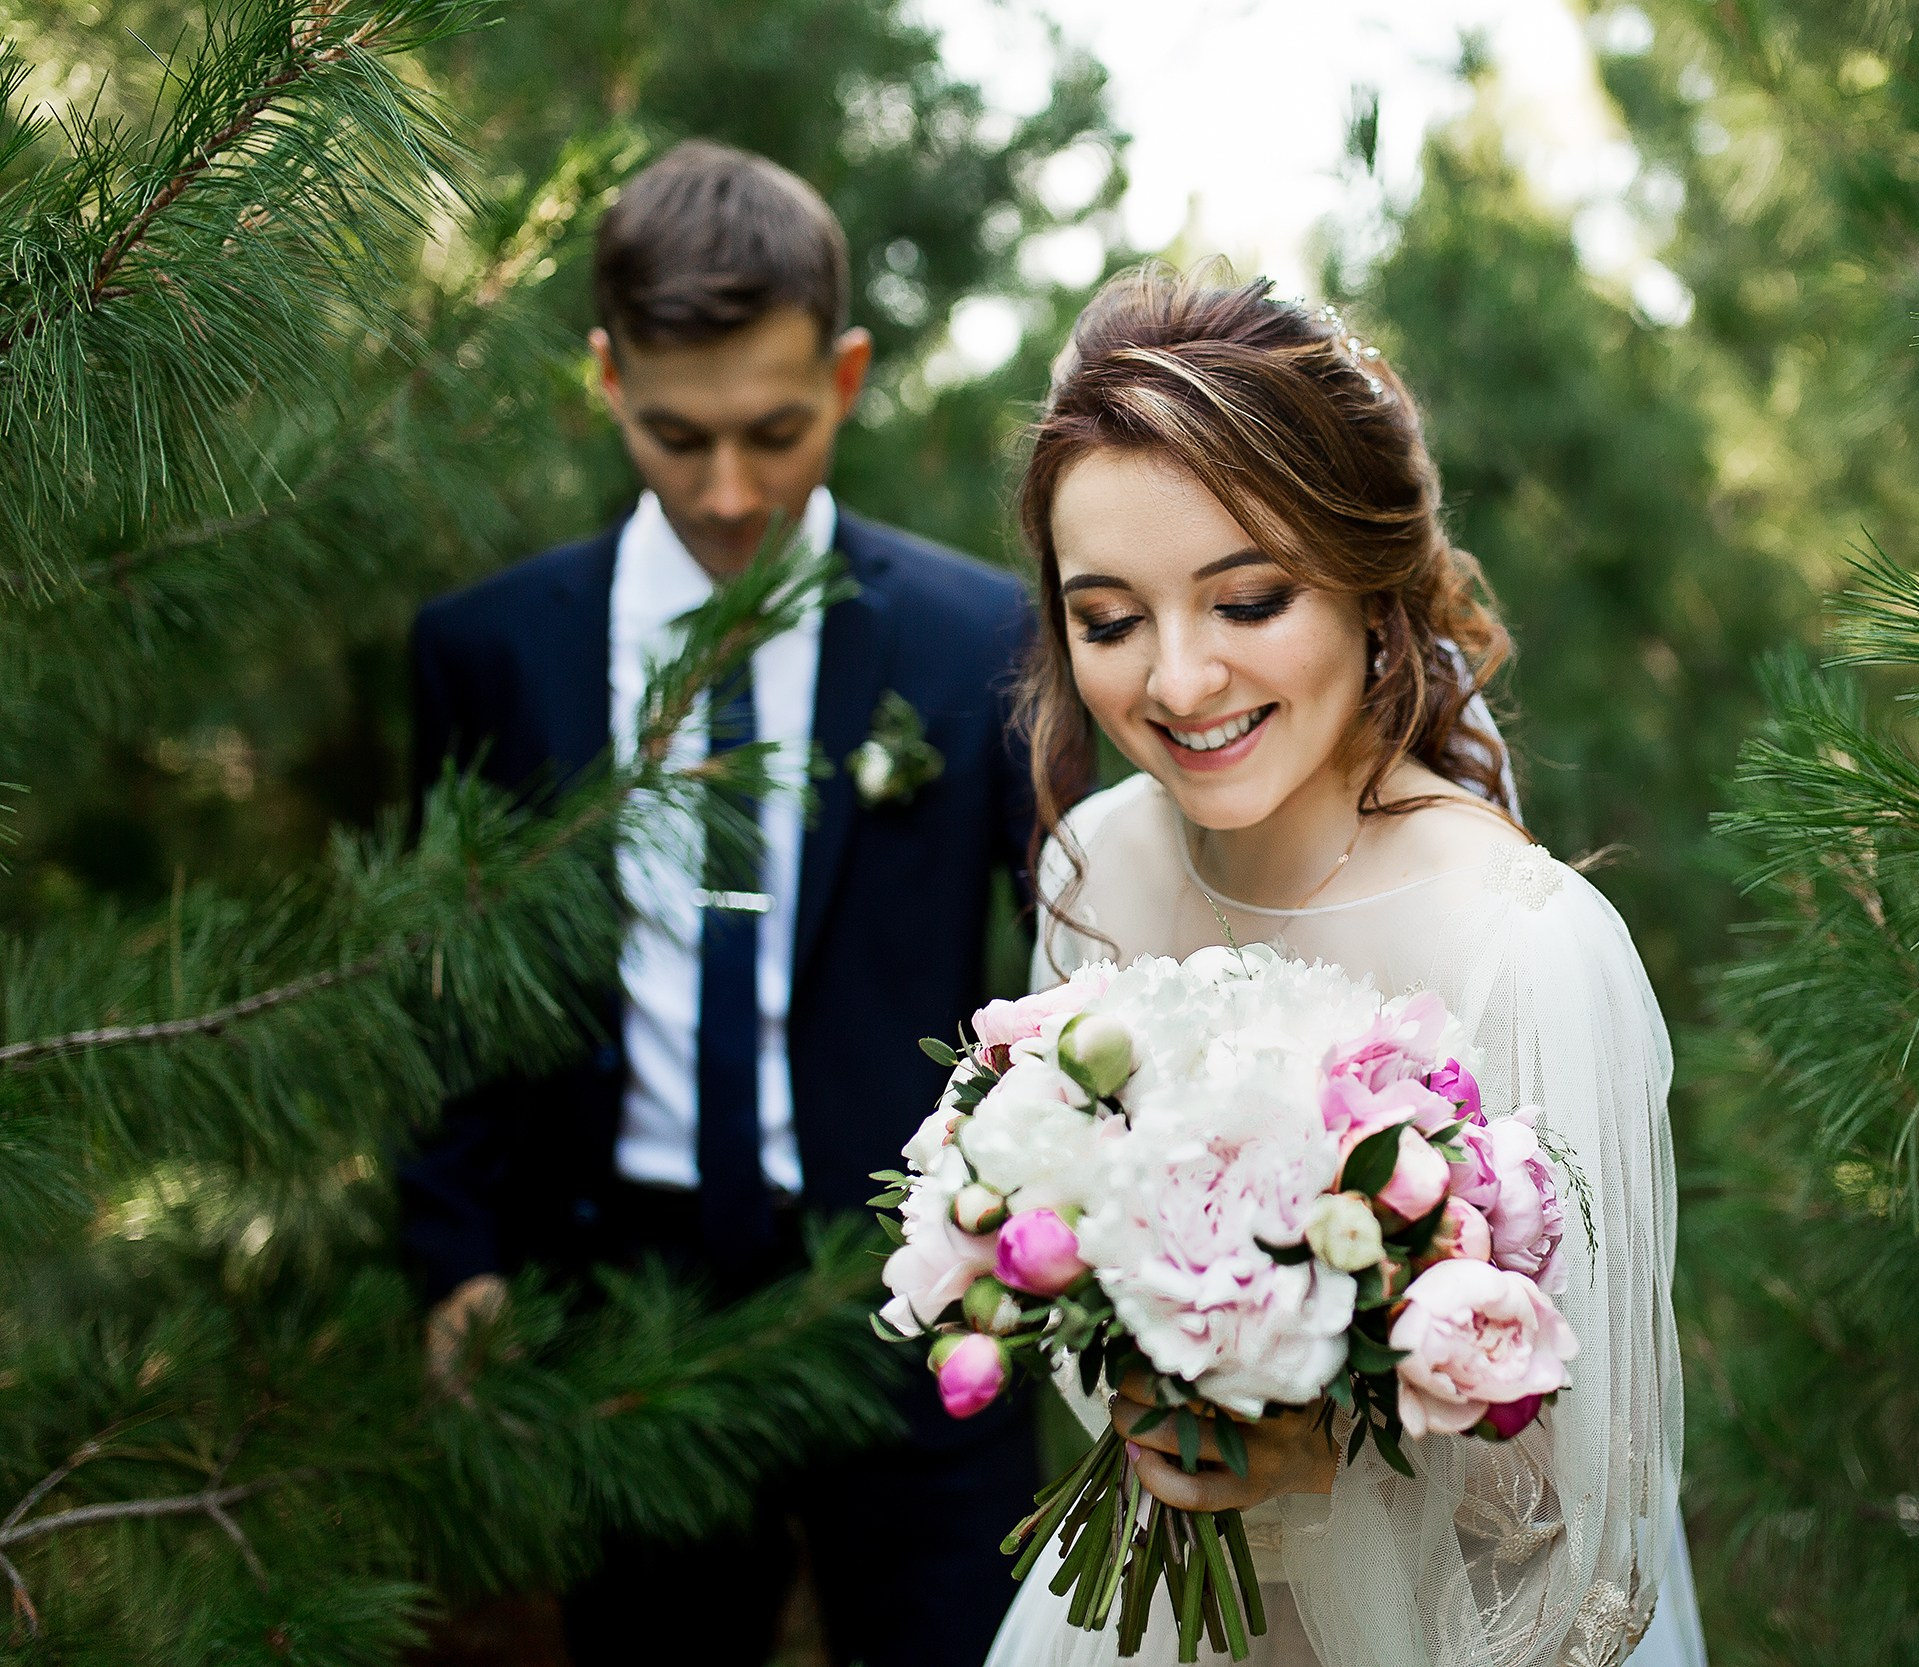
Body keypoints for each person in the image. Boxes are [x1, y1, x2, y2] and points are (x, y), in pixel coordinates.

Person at [984, 268, 1706, 1667]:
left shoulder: (1528, 947)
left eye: (1248, 599)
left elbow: (1588, 1541)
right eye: (1112, 620)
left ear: (1370, 584)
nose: (1179, 683)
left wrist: (1317, 1453)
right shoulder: (1098, 868)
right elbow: (1060, 1263)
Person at [398, 138, 1037, 1667]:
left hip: (919, 1288)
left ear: (851, 370)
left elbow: (1073, 962)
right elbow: (447, 982)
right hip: (627, 1296)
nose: (732, 494)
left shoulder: (976, 637)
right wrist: (459, 1252)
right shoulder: (490, 652)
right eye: (679, 439)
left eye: (776, 428)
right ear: (606, 378)